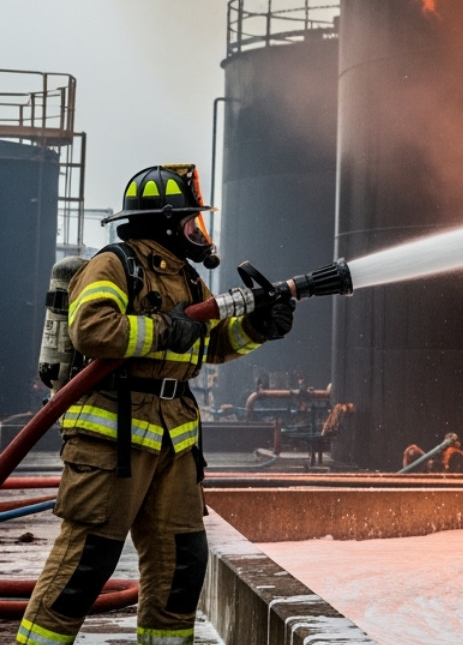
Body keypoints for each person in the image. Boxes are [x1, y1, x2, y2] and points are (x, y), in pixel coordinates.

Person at [16, 164, 294, 645]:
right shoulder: (113, 264)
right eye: (190, 223)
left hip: (175, 443)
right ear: (165, 222)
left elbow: (210, 345)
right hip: (111, 441)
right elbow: (92, 329)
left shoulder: (187, 281)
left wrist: (257, 327)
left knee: (182, 561)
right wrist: (165, 328)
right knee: (88, 562)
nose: (197, 232)